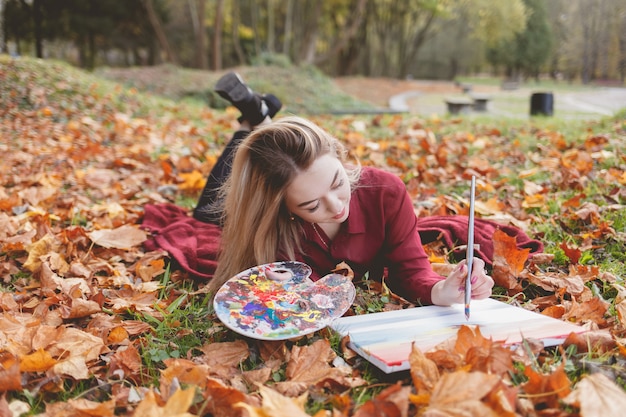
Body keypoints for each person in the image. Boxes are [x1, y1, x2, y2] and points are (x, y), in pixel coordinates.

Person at [193, 72, 494, 306]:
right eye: (312, 206)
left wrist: (443, 290)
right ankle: (251, 124)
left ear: (339, 156)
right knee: (207, 212)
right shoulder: (265, 222)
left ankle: (257, 119)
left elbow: (411, 271)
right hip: (247, 201)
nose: (336, 206)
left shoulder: (384, 191)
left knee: (272, 156)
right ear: (281, 207)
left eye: (338, 183)